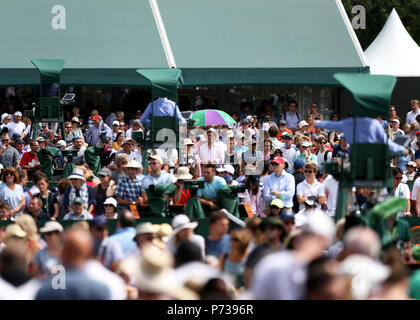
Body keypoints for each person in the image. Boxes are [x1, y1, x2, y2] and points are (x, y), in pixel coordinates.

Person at [251, 210, 334, 300]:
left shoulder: (331, 272)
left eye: (292, 223)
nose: (290, 226)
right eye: (286, 223)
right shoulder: (272, 263)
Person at [35, 227, 111, 299]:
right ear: (88, 255)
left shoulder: (45, 291)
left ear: (63, 254)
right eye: (48, 233)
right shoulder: (102, 290)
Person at [315, 117, 408, 155]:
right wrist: (402, 150)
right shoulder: (374, 124)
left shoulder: (373, 124)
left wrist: (316, 122)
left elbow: (331, 125)